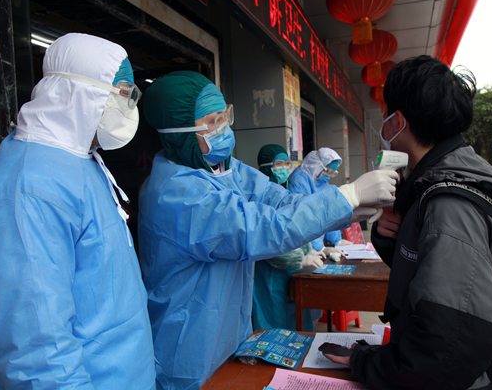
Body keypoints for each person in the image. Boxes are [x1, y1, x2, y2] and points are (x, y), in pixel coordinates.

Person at [137, 70, 397, 390]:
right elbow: (263, 228)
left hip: (230, 335)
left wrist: (349, 211)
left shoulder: (225, 171)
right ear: (179, 132)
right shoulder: (177, 196)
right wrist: (348, 196)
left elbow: (281, 200)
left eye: (225, 116)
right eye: (212, 121)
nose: (224, 127)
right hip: (190, 345)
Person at [0, 33, 155, 389]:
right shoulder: (26, 190)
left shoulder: (81, 162)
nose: (129, 107)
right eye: (123, 94)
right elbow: (38, 356)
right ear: (81, 94)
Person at [324, 56, 492, 389]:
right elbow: (439, 279)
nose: (383, 124)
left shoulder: (450, 204)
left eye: (386, 114)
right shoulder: (447, 180)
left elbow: (448, 346)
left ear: (397, 122)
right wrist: (395, 239)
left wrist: (367, 362)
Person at [253, 144, 327, 331]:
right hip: (269, 275)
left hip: (291, 273)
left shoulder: (284, 193)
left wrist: (312, 250)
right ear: (265, 166)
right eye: (280, 163)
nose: (285, 167)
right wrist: (300, 259)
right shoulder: (259, 198)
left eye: (287, 163)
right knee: (274, 324)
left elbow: (296, 227)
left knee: (296, 323)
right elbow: (267, 242)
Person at [288, 148, 345, 251]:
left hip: (317, 242)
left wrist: (337, 240)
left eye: (333, 172)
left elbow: (328, 212)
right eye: (328, 171)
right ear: (316, 166)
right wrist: (318, 247)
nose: (329, 176)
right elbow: (304, 217)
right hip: (304, 245)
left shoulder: (320, 182)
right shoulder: (299, 182)